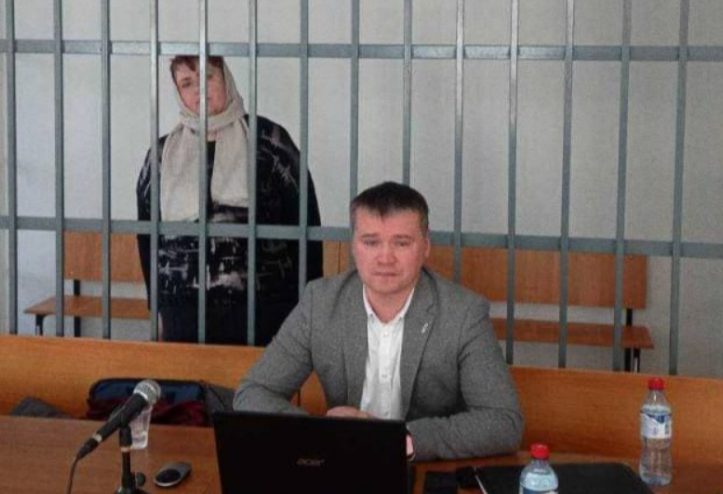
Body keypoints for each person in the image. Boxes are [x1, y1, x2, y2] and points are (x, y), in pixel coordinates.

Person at [235, 181, 523, 461]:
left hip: (422, 468)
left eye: (402, 243)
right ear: (354, 246)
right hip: (341, 463)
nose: (385, 258)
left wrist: (400, 441)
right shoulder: (320, 303)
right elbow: (253, 393)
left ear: (425, 246)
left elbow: (504, 422)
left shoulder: (464, 313)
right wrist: (320, 433)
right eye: (371, 242)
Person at [136, 56, 323, 346]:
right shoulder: (161, 154)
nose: (199, 90)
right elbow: (147, 237)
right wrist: (157, 311)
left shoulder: (269, 141)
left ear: (226, 78)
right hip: (183, 316)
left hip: (265, 314)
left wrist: (308, 313)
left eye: (208, 77)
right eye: (186, 83)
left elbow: (306, 227)